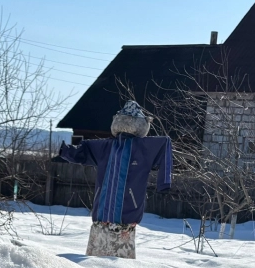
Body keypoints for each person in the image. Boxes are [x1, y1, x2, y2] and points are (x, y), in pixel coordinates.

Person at [58, 101, 173, 259]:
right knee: (99, 261)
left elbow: (165, 144)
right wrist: (65, 151)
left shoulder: (144, 147)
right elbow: (83, 151)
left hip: (125, 213)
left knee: (116, 262)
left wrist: (164, 182)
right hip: (104, 213)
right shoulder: (106, 147)